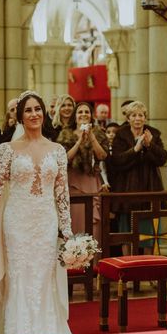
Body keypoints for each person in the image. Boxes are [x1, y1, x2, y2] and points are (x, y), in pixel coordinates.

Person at [0, 91, 73, 334]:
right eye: (28, 110)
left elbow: (62, 194)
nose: (34, 114)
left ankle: (50, 332)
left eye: (37, 109)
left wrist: (68, 231)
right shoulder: (6, 150)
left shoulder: (58, 150)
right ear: (19, 116)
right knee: (20, 275)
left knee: (44, 275)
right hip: (16, 221)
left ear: (44, 113)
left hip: (46, 221)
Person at [108, 101, 167, 247]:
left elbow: (162, 159)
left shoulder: (153, 134)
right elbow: (117, 161)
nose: (137, 118)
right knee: (126, 236)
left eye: (140, 115)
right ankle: (127, 266)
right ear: (128, 118)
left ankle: (147, 265)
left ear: (145, 118)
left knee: (148, 237)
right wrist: (135, 149)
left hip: (149, 188)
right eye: (133, 115)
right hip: (127, 190)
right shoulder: (121, 135)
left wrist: (149, 146)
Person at [57, 102, 108, 249]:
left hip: (92, 182)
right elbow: (65, 158)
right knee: (76, 222)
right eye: (80, 112)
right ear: (75, 116)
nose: (84, 114)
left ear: (91, 116)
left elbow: (102, 155)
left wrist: (91, 136)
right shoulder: (66, 134)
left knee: (94, 225)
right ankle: (74, 264)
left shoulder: (98, 133)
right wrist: (79, 140)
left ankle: (95, 265)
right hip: (73, 183)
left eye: (87, 112)